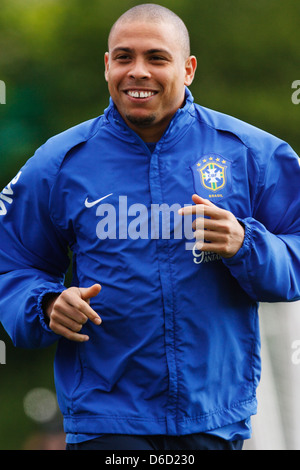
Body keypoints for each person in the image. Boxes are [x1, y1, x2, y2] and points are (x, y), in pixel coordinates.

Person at [0, 3, 300, 451]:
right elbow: (13, 264)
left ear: (188, 69)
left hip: (213, 420)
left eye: (156, 58)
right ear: (107, 67)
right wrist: (44, 306)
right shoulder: (58, 163)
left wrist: (246, 243)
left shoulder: (251, 153)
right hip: (106, 424)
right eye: (123, 57)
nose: (137, 71)